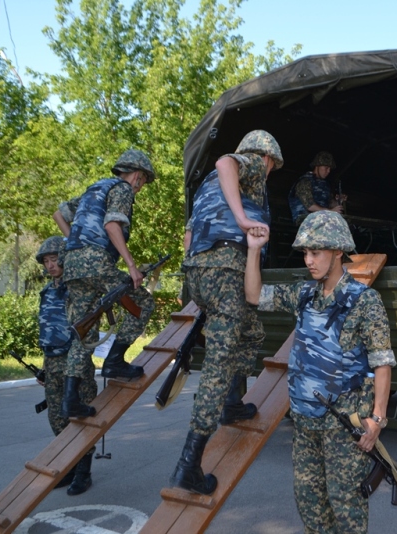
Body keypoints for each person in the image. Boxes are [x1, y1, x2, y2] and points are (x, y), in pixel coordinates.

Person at [244, 211, 396, 533]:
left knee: (346, 508)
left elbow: (382, 363)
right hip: (304, 423)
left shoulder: (365, 302)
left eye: (316, 252)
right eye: (305, 253)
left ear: (338, 251)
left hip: (343, 426)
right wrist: (254, 250)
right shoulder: (304, 296)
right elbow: (254, 295)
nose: (308, 260)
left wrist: (378, 420)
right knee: (310, 504)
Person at [170, 130, 283, 495]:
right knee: (218, 365)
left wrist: (193, 279)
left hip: (201, 272)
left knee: (251, 333)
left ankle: (233, 403)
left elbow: (188, 236)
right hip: (226, 271)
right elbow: (224, 160)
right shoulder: (247, 163)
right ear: (266, 157)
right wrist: (242, 219)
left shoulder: (206, 188)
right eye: (272, 166)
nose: (269, 173)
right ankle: (189, 464)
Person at [53, 148, 156, 419]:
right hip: (96, 263)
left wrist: (76, 243)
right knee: (143, 302)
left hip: (73, 266)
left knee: (83, 330)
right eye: (143, 181)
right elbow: (112, 226)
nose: (140, 187)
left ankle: (70, 401)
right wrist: (132, 266)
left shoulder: (94, 189)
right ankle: (114, 361)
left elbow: (59, 215)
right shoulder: (122, 189)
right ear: (136, 175)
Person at [36, 235, 97, 496]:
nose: (50, 265)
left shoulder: (78, 289)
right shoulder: (47, 291)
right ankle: (69, 467)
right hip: (53, 362)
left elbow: (86, 332)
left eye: (54, 259)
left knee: (79, 419)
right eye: (46, 261)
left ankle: (83, 472)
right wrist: (44, 366)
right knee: (57, 419)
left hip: (74, 362)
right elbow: (47, 330)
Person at [288, 151, 346, 224]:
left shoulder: (325, 185)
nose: (328, 171)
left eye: (329, 169)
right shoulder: (305, 181)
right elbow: (310, 206)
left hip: (322, 220)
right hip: (305, 220)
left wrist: (338, 201)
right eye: (326, 168)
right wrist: (330, 212)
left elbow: (330, 204)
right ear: (317, 166)